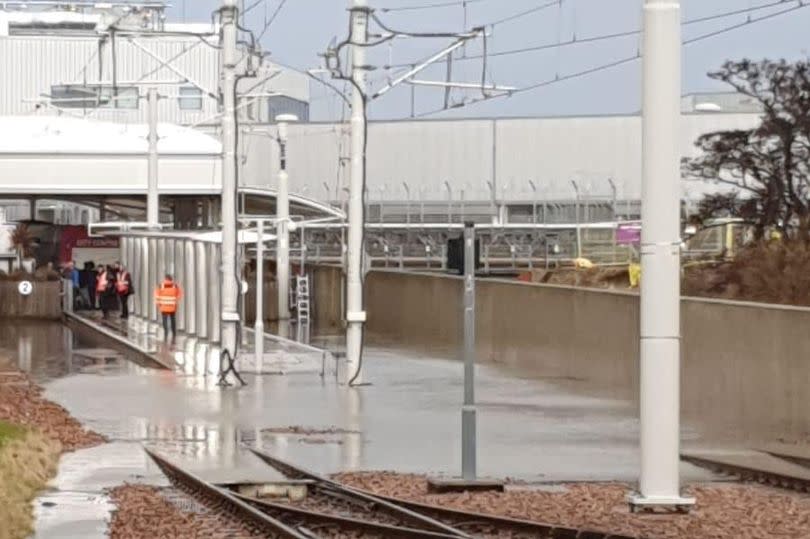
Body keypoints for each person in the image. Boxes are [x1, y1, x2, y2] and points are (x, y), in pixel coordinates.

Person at [155, 274, 182, 340]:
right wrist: (175, 301)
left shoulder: (161, 286)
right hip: (172, 306)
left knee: (165, 320)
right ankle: (174, 332)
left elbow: (157, 295)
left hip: (164, 306)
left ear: (165, 278)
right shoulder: (175, 286)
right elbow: (179, 294)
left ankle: (166, 332)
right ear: (171, 279)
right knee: (173, 320)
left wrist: (158, 304)